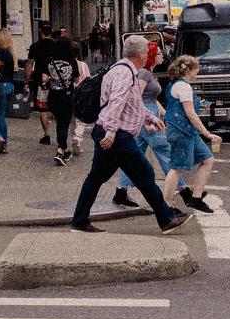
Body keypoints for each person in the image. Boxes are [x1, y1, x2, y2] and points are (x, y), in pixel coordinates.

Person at [70, 35, 191, 235]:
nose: (147, 55)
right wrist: (110, 131)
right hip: (117, 135)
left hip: (113, 132)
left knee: (96, 177)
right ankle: (166, 218)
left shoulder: (124, 70)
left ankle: (80, 221)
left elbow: (132, 104)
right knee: (144, 173)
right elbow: (116, 102)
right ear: (140, 54)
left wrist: (150, 118)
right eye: (145, 52)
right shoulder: (125, 73)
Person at [112, 37, 173, 207]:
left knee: (135, 155)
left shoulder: (149, 73)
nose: (163, 56)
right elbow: (137, 98)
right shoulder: (144, 73)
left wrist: (164, 114)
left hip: (149, 113)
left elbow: (152, 98)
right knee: (165, 151)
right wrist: (144, 121)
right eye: (159, 53)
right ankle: (182, 189)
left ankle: (121, 191)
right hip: (146, 115)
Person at [161, 55, 220, 214]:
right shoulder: (184, 87)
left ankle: (196, 198)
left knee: (208, 159)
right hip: (182, 132)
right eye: (196, 68)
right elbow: (190, 113)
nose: (198, 71)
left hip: (187, 131)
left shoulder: (177, 84)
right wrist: (207, 133)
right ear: (188, 70)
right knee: (176, 168)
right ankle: (167, 207)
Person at [41, 30, 78, 165]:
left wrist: (52, 79)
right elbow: (76, 78)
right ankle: (60, 150)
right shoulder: (72, 62)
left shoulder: (49, 61)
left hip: (53, 96)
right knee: (65, 122)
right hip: (67, 96)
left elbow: (44, 79)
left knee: (59, 121)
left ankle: (65, 149)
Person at [25, 19, 56, 145]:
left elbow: (29, 65)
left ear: (40, 31)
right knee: (56, 107)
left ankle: (46, 134)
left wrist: (27, 81)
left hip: (40, 82)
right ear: (51, 31)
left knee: (43, 108)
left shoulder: (35, 46)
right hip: (55, 80)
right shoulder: (56, 45)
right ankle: (61, 135)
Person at [69, 40, 91, 157]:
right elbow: (88, 80)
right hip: (81, 95)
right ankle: (78, 139)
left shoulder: (67, 65)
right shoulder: (83, 65)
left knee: (72, 119)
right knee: (81, 120)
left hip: (69, 94)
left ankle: (74, 139)